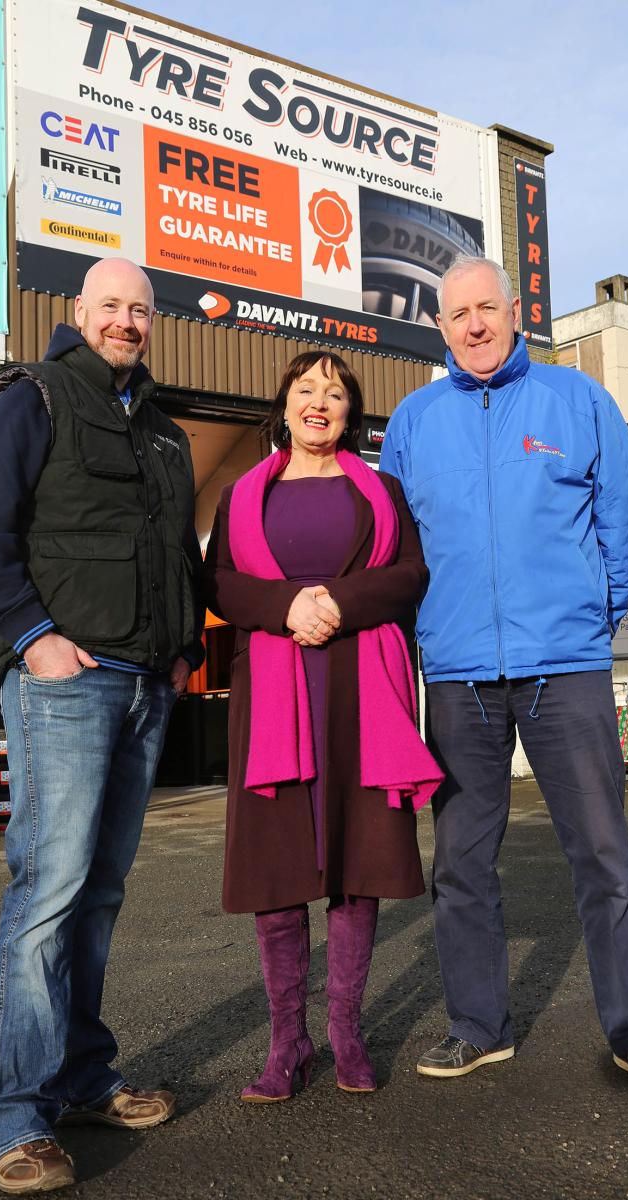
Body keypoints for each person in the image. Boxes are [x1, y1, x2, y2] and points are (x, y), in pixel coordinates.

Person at [380, 254, 628, 1098]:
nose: (474, 326)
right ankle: (478, 1026)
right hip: (457, 677)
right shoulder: (412, 421)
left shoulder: (576, 401)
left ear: (516, 311)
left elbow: (622, 513)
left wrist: (594, 610)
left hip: (567, 667)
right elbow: (393, 546)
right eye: (456, 315)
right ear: (439, 328)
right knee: (461, 864)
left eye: (487, 308)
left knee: (603, 857)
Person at [0, 257, 205, 1193]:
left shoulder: (167, 433)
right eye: (111, 307)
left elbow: (179, 551)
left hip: (144, 684)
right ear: (77, 312)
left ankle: (82, 1076)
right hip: (65, 678)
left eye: (140, 309)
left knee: (98, 891)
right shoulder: (37, 397)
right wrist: (33, 636)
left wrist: (184, 654)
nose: (126, 322)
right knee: (49, 888)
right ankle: (11, 1118)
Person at [204, 351, 441, 1101]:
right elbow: (215, 582)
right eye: (305, 389)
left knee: (354, 863)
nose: (319, 402)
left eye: (333, 393)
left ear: (349, 412)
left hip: (357, 695)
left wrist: (337, 604)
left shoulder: (382, 491)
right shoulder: (243, 494)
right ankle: (286, 1045)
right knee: (277, 872)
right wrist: (285, 609)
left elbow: (408, 574)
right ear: (283, 404)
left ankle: (344, 1033)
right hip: (272, 694)